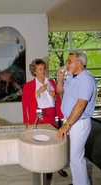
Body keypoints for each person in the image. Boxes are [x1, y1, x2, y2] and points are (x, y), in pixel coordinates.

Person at [22, 58, 68, 177]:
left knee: (54, 141)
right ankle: (45, 167)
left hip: (51, 114)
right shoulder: (28, 86)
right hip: (38, 116)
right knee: (41, 143)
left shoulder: (51, 82)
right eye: (39, 69)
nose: (43, 71)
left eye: (44, 68)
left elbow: (57, 100)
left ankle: (57, 166)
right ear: (34, 71)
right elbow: (25, 105)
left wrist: (55, 97)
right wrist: (37, 92)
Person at [57, 52, 97, 185]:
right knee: (73, 157)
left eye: (69, 61)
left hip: (78, 123)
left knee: (76, 158)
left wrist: (67, 125)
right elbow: (59, 90)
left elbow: (81, 105)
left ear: (79, 63)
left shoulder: (86, 80)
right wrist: (60, 78)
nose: (66, 64)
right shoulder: (71, 77)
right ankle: (80, 182)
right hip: (69, 121)